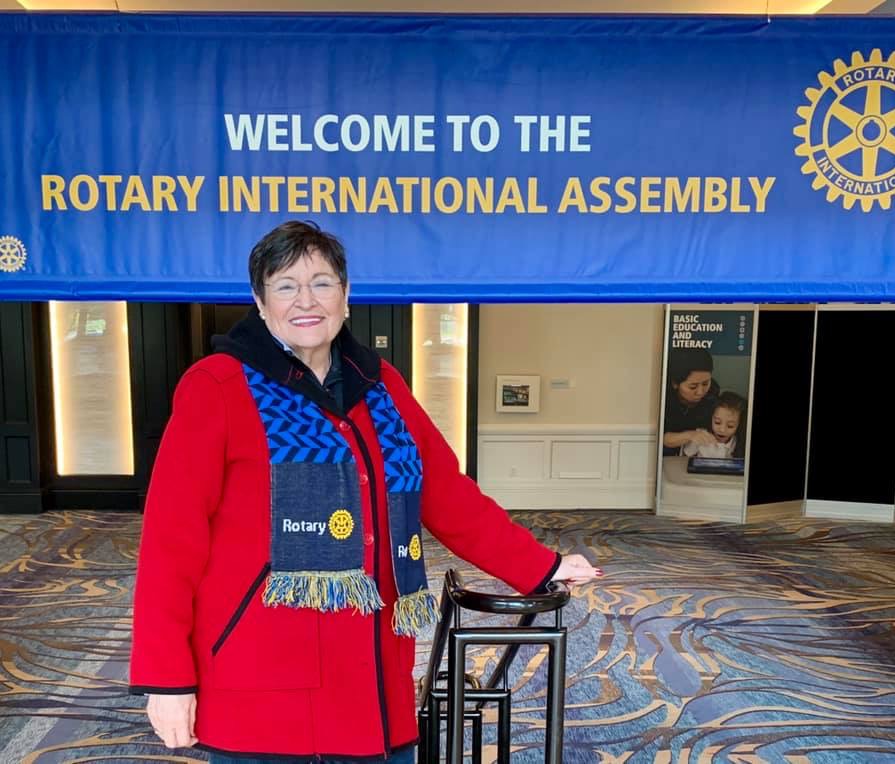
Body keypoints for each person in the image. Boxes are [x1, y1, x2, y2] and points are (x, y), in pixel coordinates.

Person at [128, 221, 600, 763]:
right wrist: (167, 679)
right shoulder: (217, 386)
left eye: (322, 283)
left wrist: (541, 564)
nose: (306, 301)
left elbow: (446, 493)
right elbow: (171, 542)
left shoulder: (381, 385)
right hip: (261, 678)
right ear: (260, 302)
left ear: (345, 295)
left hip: (372, 678)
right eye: (286, 286)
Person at [661, 347, 720, 455]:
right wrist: (690, 435)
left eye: (705, 383)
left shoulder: (712, 395)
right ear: (675, 383)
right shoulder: (664, 397)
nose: (700, 392)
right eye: (693, 387)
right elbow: (661, 436)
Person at [682, 391, 747, 459]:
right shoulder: (700, 436)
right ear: (711, 418)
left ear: (739, 424)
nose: (722, 430)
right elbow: (684, 457)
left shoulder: (739, 442)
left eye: (730, 426)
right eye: (717, 422)